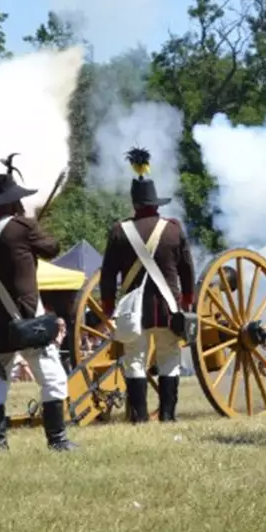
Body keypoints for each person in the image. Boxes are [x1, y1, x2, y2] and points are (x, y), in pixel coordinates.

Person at [0, 159, 75, 451]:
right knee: (53, 378)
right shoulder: (22, 227)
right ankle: (58, 440)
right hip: (27, 318)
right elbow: (52, 248)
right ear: (15, 202)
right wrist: (30, 226)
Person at [100, 147, 196, 423]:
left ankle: (140, 417)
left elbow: (107, 275)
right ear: (157, 203)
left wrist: (108, 306)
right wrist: (187, 299)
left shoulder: (120, 231)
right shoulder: (173, 229)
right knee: (169, 358)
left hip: (134, 311)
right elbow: (187, 269)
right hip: (167, 308)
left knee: (135, 360)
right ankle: (167, 415)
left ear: (135, 204)